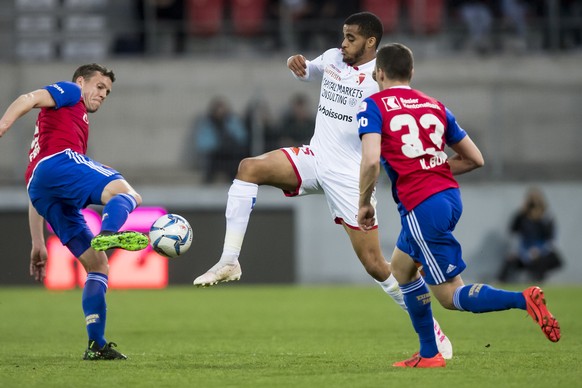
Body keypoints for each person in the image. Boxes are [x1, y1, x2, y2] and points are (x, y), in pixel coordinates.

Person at [193, 12, 453, 359]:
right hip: (315, 157)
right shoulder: (332, 58)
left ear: (371, 43)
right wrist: (295, 63)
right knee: (248, 168)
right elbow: (307, 71)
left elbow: (397, 117)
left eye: (351, 38)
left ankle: (429, 327)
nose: (343, 43)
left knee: (376, 265)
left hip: (350, 175)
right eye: (343, 36)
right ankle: (230, 260)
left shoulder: (380, 80)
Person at [357, 43, 560, 368]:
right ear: (411, 72)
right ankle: (427, 353)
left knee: (450, 295)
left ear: (378, 73)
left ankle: (524, 299)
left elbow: (369, 162)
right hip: (447, 197)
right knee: (401, 269)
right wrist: (431, 167)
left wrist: (364, 202)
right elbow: (475, 159)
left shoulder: (374, 106)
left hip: (422, 204)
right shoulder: (435, 106)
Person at [0, 63, 150, 360]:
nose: (103, 94)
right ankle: (108, 232)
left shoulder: (66, 126)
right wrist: (4, 123)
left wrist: (38, 243)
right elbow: (28, 98)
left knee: (98, 266)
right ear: (81, 81)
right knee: (129, 194)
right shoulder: (70, 92)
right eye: (99, 86)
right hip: (58, 164)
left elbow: (39, 190)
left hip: (41, 188)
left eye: (108, 91)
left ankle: (96, 345)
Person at [497, 187, 563, 283]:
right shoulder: (521, 216)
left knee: (543, 261)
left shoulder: (546, 217)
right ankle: (500, 282)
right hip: (523, 250)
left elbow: (551, 240)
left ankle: (538, 281)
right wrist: (515, 250)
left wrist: (539, 250)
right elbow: (513, 235)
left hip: (541, 252)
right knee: (510, 260)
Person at [193, 96, 249, 184]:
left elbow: (242, 137)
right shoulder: (207, 123)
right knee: (212, 164)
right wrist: (218, 145)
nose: (220, 112)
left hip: (231, 153)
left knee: (237, 161)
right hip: (216, 154)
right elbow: (203, 144)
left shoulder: (232, 120)